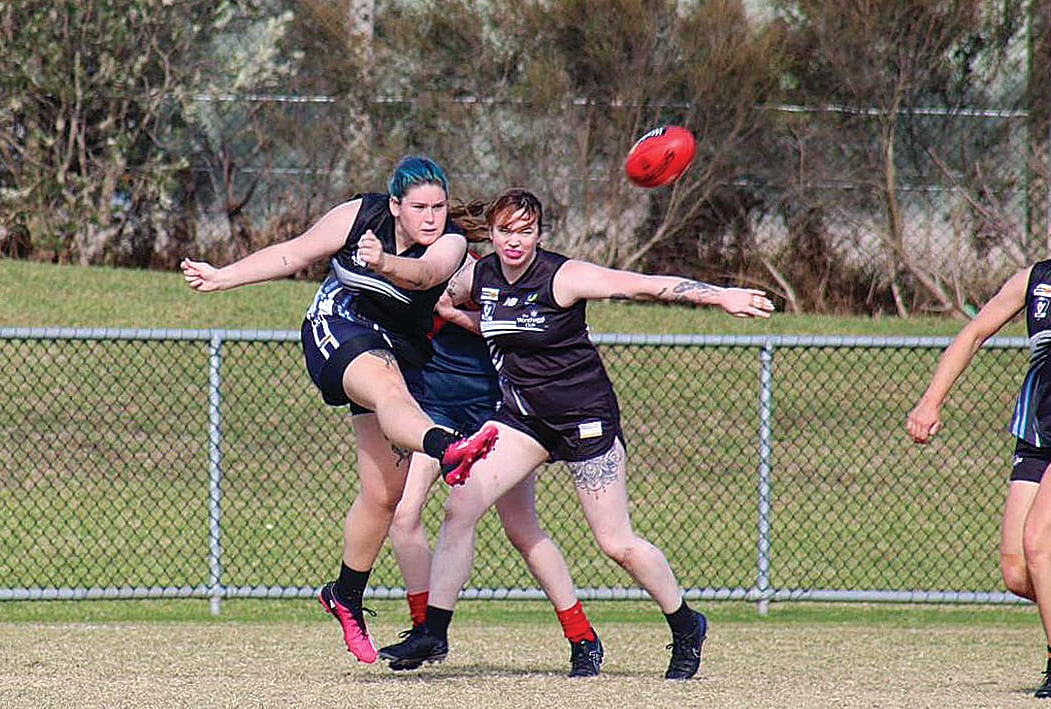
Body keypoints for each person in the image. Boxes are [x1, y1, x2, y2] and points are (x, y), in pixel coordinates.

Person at [377, 188, 775, 679]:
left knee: (616, 543)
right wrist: (403, 284)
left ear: (540, 234)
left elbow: (645, 286)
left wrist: (720, 296)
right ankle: (434, 631)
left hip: (584, 419)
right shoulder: (480, 276)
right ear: (492, 235)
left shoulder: (563, 277)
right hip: (524, 419)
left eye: (525, 231)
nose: (515, 241)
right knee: (461, 506)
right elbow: (438, 293)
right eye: (505, 231)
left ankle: (686, 623)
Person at [180, 155, 499, 665]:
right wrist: (223, 277)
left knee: (385, 493)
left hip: (401, 348)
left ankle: (345, 595)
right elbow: (293, 252)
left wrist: (384, 262)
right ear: (394, 206)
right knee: (389, 392)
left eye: (438, 207)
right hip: (339, 324)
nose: (431, 217)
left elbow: (424, 276)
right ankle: (447, 448)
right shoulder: (359, 215)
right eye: (419, 207)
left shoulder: (452, 242)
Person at [906, 184, 1051, 699]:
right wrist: (931, 401)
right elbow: (973, 333)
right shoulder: (1036, 280)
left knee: (1041, 542)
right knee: (1020, 572)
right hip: (1040, 432)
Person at [386, 253, 605, 677]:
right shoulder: (414, 267)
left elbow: (514, 325)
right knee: (404, 514)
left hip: (495, 413)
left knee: (522, 530)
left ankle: (582, 636)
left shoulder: (484, 272)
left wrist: (453, 309)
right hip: (436, 413)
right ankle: (426, 632)